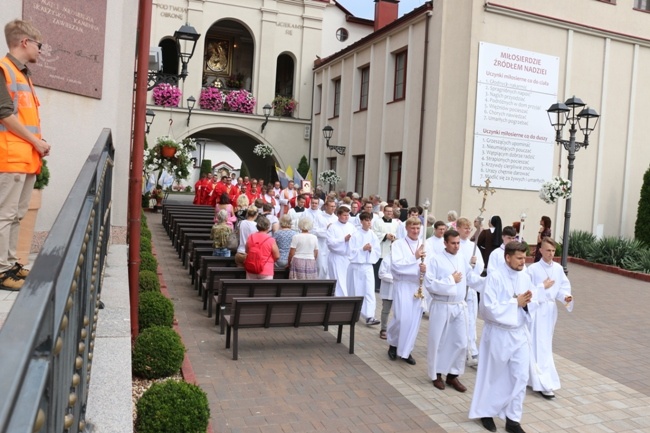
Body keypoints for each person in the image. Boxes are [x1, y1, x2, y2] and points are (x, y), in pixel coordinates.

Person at [0, 20, 51, 291]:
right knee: (5, 214)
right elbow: (4, 114)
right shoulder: (4, 69)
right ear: (24, 42)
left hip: (24, 156)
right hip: (9, 156)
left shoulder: (22, 74)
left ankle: (11, 265)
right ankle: (0, 270)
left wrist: (37, 143)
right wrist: (35, 141)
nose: (40, 50)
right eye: (38, 45)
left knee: (15, 214)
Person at [469, 241, 537, 433]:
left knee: (521, 376)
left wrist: (526, 304)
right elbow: (488, 309)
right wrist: (515, 302)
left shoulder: (525, 276)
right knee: (493, 375)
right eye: (519, 258)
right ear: (507, 257)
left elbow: (533, 300)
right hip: (498, 333)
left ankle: (513, 419)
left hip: (519, 334)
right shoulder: (494, 277)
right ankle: (485, 412)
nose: (523, 261)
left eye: (525, 257)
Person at [425, 230, 483, 393]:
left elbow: (470, 278)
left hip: (459, 305)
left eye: (458, 243)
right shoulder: (435, 260)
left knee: (461, 341)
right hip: (442, 305)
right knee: (439, 341)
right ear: (445, 243)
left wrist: (487, 282)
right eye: (453, 243)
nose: (457, 246)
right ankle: (436, 374)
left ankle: (452, 374)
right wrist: (451, 280)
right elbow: (429, 284)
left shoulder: (461, 258)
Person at [526, 237, 573, 399]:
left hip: (550, 311)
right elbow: (527, 290)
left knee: (545, 344)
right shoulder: (532, 269)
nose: (551, 254)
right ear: (540, 250)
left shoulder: (558, 269)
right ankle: (540, 381)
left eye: (553, 251)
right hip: (536, 310)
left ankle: (538, 378)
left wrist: (566, 297)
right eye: (548, 250)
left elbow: (562, 288)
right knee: (536, 343)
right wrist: (541, 287)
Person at [387, 217, 427, 366]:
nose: (415, 231)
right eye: (413, 228)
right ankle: (393, 343)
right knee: (401, 318)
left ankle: (406, 350)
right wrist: (414, 258)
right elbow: (396, 265)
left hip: (417, 286)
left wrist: (425, 269)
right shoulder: (398, 244)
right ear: (407, 228)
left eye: (418, 228)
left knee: (413, 320)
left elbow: (430, 264)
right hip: (403, 284)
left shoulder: (424, 245)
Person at [456, 217, 485, 366]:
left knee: (472, 319)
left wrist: (475, 264)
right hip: (459, 287)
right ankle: (460, 348)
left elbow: (480, 266)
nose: (468, 231)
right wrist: (467, 266)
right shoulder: (454, 245)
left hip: (471, 289)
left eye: (469, 228)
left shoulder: (473, 246)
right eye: (465, 228)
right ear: (458, 228)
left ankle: (472, 349)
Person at [347, 211, 381, 326]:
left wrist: (371, 250)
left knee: (369, 291)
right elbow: (350, 252)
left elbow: (377, 251)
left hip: (367, 266)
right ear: (361, 221)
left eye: (369, 220)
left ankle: (370, 316)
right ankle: (354, 311)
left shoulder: (373, 235)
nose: (368, 222)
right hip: (357, 266)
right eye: (366, 220)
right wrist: (362, 249)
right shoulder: (356, 235)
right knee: (357, 289)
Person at [326, 206, 356, 296]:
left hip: (347, 258)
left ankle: (347, 299)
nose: (346, 217)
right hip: (337, 257)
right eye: (344, 215)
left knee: (347, 280)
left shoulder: (352, 227)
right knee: (338, 280)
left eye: (348, 215)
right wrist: (343, 239)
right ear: (338, 215)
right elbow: (330, 242)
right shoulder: (333, 227)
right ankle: (338, 299)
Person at [378, 253, 393, 340]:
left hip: (399, 290)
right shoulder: (387, 259)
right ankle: (383, 329)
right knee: (385, 310)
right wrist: (395, 278)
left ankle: (395, 330)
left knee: (398, 312)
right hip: (387, 290)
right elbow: (381, 274)